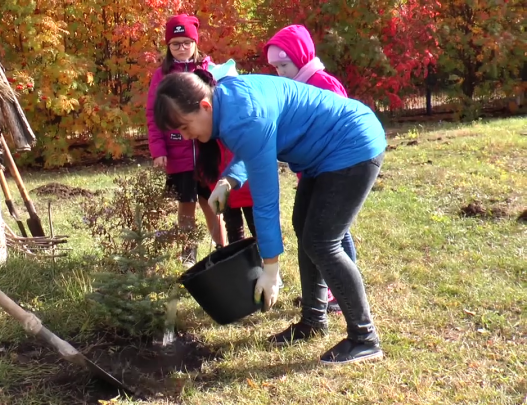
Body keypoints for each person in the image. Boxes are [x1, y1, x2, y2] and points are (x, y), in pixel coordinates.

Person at [152, 70, 386, 365]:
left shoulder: (243, 114)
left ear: (204, 106)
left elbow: (265, 201)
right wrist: (229, 181)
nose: (187, 137)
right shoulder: (227, 99)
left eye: (186, 127)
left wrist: (270, 269)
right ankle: (313, 321)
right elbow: (254, 145)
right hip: (323, 153)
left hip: (351, 144)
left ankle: (365, 339)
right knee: (307, 230)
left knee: (322, 241)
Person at [264, 24, 359, 315]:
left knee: (333, 233)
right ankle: (321, 291)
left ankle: (340, 289)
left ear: (301, 58)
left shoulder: (323, 83)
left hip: (336, 169)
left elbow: (341, 125)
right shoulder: (294, 85)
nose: (280, 71)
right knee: (313, 229)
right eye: (276, 67)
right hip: (312, 170)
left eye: (284, 64)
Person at [146, 14, 225, 267]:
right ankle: (188, 256)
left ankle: (222, 251)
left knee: (212, 203)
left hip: (208, 151)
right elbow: (153, 113)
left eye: (186, 42)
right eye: (175, 43)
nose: (182, 48)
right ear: (168, 46)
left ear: (195, 43)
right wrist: (158, 148)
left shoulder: (208, 70)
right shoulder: (162, 75)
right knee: (186, 205)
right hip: (177, 153)